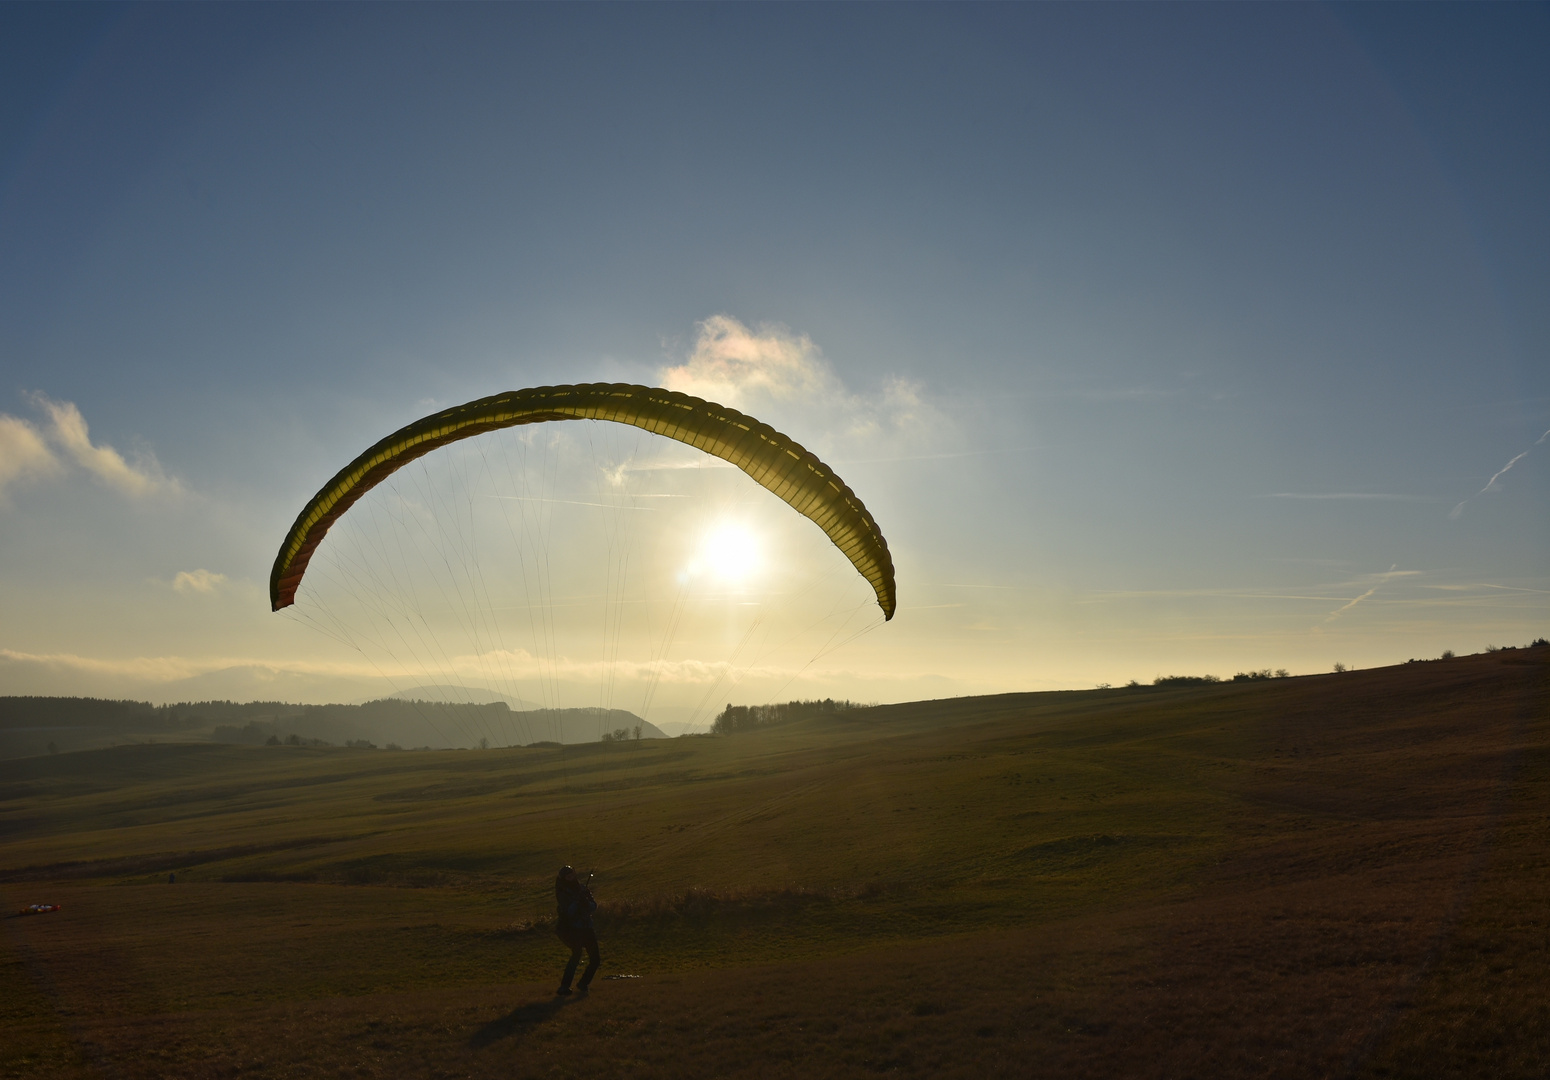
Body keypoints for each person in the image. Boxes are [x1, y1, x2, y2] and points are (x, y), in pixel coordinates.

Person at [554, 865, 599, 996]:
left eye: (573, 874)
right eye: (569, 876)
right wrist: (577, 902)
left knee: (595, 959)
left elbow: (594, 906)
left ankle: (583, 983)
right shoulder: (562, 892)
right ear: (564, 878)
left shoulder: (582, 889)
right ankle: (564, 987)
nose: (572, 878)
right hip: (572, 929)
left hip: (587, 927)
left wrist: (586, 903)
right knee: (576, 955)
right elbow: (568, 912)